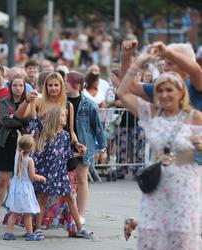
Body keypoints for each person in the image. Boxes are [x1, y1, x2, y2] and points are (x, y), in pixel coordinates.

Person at [117, 49, 202, 249]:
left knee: (180, 238)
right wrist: (137, 61)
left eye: (169, 90)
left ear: (181, 93)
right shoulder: (151, 114)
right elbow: (122, 92)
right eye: (160, 91)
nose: (164, 95)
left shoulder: (195, 117)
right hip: (156, 187)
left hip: (186, 186)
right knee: (151, 236)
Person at [33, 107, 93, 239]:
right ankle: (37, 229)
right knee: (42, 199)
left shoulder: (66, 135)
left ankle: (80, 228)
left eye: (65, 115)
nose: (65, 118)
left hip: (61, 173)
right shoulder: (45, 134)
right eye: (62, 116)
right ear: (55, 118)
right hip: (47, 173)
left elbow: (66, 154)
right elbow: (38, 153)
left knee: (70, 198)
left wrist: (79, 153)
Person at [65, 71, 107, 225]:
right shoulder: (62, 102)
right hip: (64, 145)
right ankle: (65, 214)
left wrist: (102, 148)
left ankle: (81, 214)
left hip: (83, 146)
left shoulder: (89, 104)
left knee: (82, 179)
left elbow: (98, 128)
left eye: (66, 82)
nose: (64, 85)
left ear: (74, 84)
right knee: (63, 180)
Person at [0, 74, 30, 223]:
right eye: (15, 85)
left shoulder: (29, 102)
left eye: (21, 85)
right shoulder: (4, 102)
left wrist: (16, 118)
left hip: (23, 144)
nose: (18, 88)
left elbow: (29, 120)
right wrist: (20, 120)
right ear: (10, 87)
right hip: (5, 143)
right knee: (2, 180)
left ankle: (17, 211)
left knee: (21, 179)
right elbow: (4, 120)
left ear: (24, 87)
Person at [3, 134, 46, 241]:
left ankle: (8, 233)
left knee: (15, 212)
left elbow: (19, 145)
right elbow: (32, 176)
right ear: (32, 148)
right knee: (27, 213)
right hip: (25, 189)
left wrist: (19, 136)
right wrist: (41, 178)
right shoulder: (29, 160)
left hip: (16, 187)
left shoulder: (17, 155)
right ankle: (30, 234)